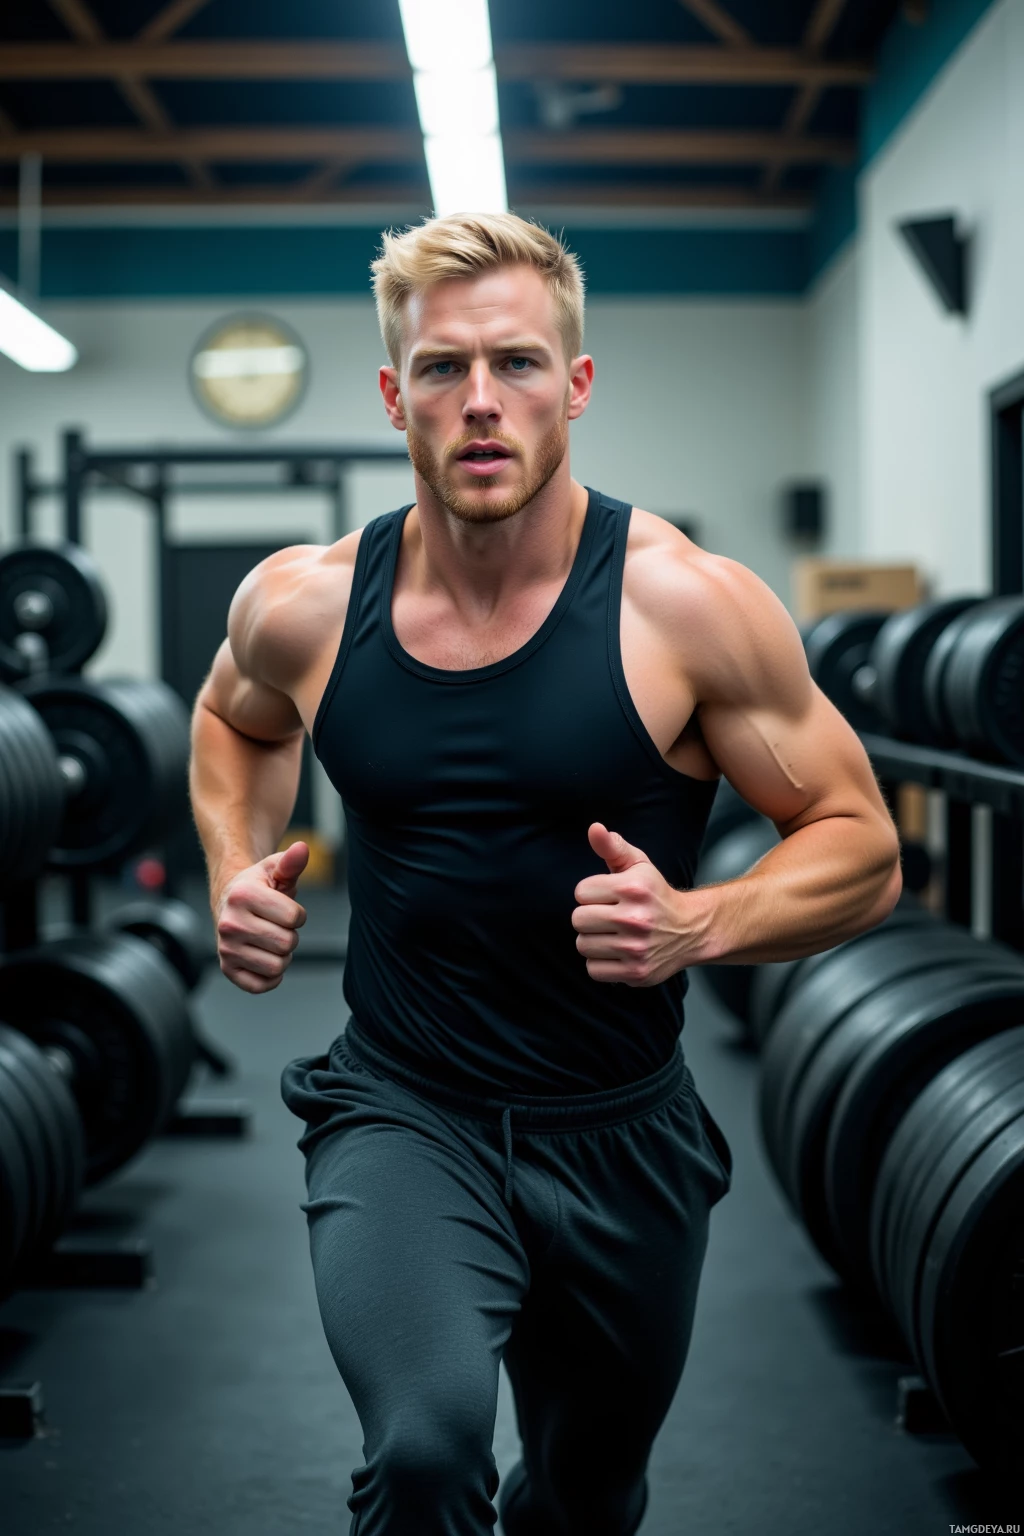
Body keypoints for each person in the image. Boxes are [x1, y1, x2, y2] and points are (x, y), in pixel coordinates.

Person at [189, 212, 901, 1535]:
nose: (480, 403)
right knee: (423, 1450)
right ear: (394, 394)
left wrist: (702, 922)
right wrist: (237, 861)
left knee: (585, 1493)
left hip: (621, 1132)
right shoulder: (303, 602)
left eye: (517, 364)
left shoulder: (687, 605)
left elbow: (861, 846)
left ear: (575, 386)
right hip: (406, 1111)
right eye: (444, 369)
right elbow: (235, 719)